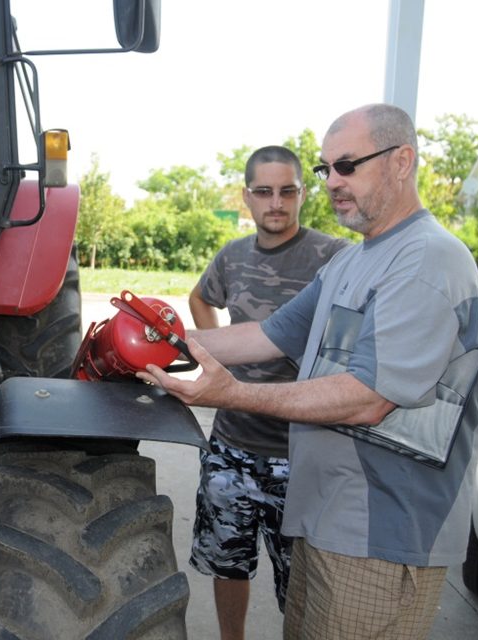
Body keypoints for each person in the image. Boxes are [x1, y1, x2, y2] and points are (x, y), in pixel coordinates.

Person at [141, 103, 478, 640]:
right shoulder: (351, 262)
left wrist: (232, 395)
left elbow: (368, 397)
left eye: (348, 165)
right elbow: (263, 335)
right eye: (326, 168)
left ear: (402, 162)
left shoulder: (428, 260)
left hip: (380, 535)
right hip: (326, 520)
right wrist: (151, 343)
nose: (332, 181)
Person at [187, 146, 348, 640]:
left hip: (301, 452)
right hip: (232, 445)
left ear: (303, 194)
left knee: (300, 587)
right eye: (263, 191)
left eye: (287, 191)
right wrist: (215, 359)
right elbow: (200, 297)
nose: (275, 203)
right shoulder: (232, 256)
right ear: (247, 197)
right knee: (227, 563)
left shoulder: (335, 257)